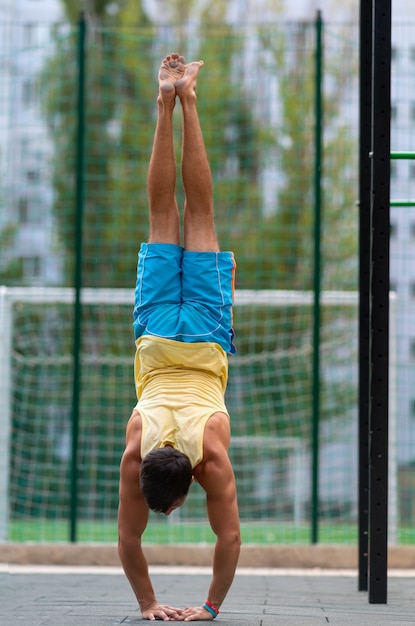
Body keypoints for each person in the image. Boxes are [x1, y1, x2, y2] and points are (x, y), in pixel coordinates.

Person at [117, 53, 241, 622]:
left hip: (207, 338)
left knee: (202, 215)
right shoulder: (135, 444)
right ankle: (167, 103)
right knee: (163, 213)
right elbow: (128, 541)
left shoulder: (211, 454)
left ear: (188, 481)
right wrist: (149, 603)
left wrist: (208, 608)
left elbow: (230, 540)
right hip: (157, 338)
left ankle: (187, 99)